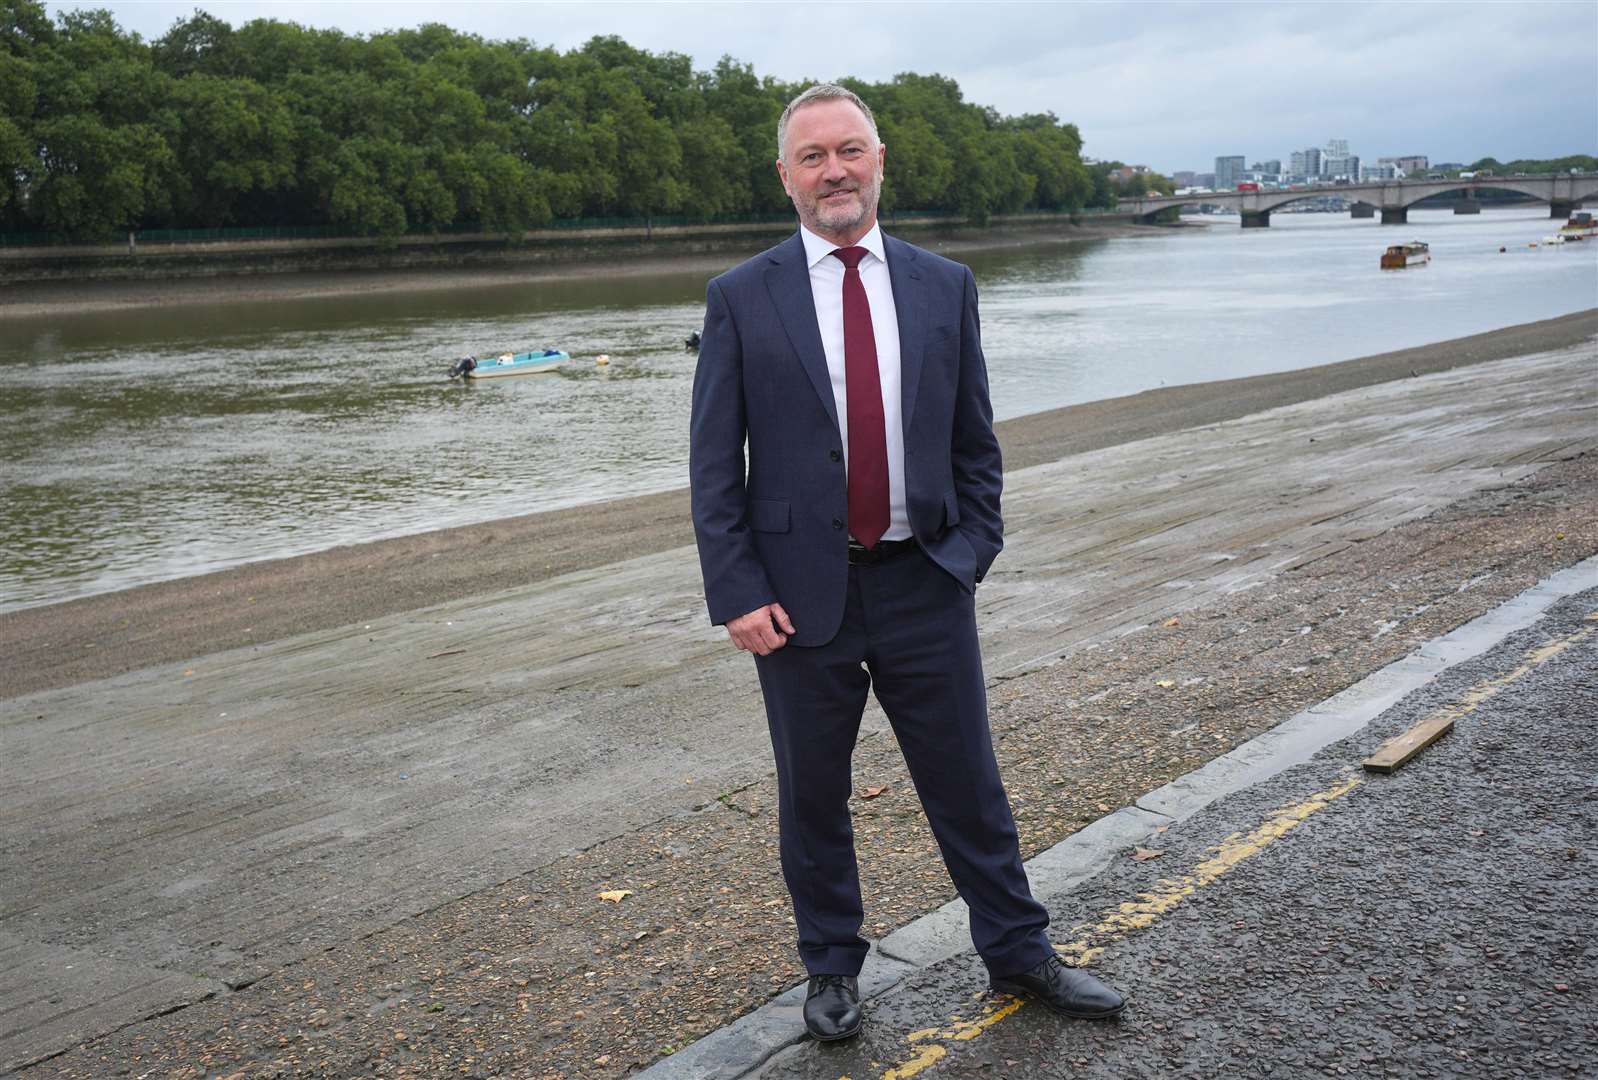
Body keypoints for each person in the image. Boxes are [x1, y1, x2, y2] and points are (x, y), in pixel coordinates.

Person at [689, 84, 1126, 1041]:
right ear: (786, 176)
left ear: (880, 160)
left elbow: (977, 443)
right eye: (813, 157)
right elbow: (715, 467)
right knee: (814, 797)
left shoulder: (944, 285)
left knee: (970, 784)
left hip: (924, 578)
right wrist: (737, 592)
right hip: (798, 605)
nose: (834, 171)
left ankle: (1020, 953)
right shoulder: (740, 297)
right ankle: (833, 972)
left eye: (849, 151)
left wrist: (969, 552)